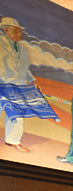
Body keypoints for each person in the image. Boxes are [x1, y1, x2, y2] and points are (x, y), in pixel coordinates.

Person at [0, 17, 38, 152]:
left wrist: (33, 80)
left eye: (20, 31)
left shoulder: (24, 51)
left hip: (18, 87)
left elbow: (25, 69)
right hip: (1, 85)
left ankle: (13, 140)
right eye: (15, 31)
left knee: (16, 114)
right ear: (5, 30)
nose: (19, 34)